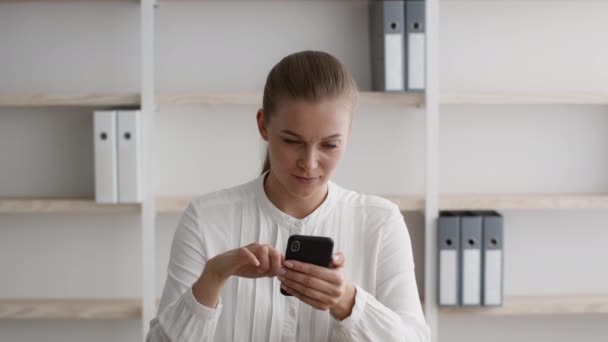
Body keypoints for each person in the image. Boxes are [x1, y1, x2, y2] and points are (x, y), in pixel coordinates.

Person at [146, 50, 430, 341]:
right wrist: (213, 277)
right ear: (263, 125)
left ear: (349, 133)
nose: (309, 162)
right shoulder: (206, 218)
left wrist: (347, 301)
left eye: (329, 145)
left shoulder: (381, 222)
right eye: (292, 141)